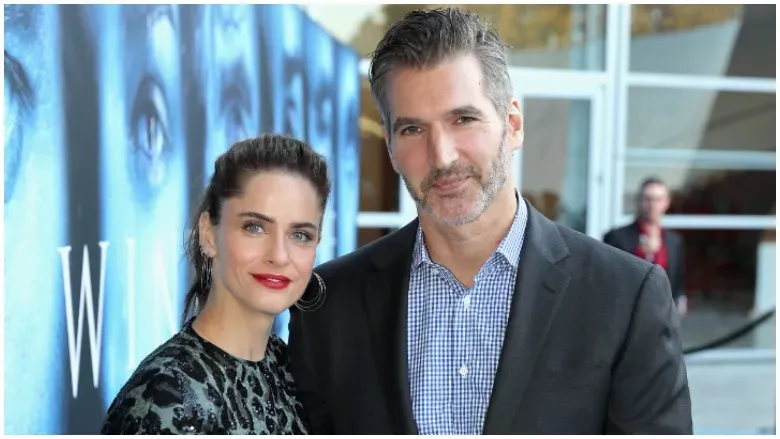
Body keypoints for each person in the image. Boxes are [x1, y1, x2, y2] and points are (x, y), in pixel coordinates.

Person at [287, 7, 692, 435]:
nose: (442, 156)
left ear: (512, 125)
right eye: (412, 130)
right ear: (389, 147)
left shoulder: (625, 296)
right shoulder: (329, 303)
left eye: (463, 119)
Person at [101, 134, 330, 434]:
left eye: (300, 235)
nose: (279, 255)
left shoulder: (286, 366)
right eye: (255, 227)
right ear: (209, 234)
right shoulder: (166, 399)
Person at [604, 177, 687, 315]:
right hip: (628, 313)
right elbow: (611, 278)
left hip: (663, 314)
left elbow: (678, 279)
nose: (652, 205)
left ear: (667, 203)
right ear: (639, 201)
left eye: (658, 199)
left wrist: (680, 300)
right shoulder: (616, 237)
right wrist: (642, 254)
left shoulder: (674, 241)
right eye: (647, 199)